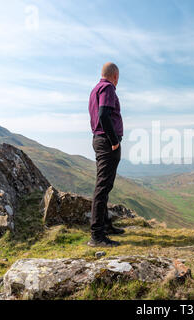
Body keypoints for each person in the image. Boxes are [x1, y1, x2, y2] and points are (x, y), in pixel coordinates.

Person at [87, 62, 125, 247]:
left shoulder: (96, 89)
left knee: (105, 185)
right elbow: (104, 115)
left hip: (99, 140)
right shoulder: (108, 88)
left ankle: (105, 225)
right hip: (106, 142)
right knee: (103, 187)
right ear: (115, 76)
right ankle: (97, 236)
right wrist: (114, 141)